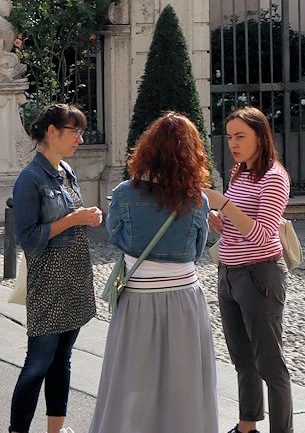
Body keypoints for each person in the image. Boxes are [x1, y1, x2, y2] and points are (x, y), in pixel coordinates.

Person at [88, 111, 218, 433]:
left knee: (129, 378)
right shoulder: (197, 200)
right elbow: (197, 251)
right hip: (184, 297)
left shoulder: (123, 193)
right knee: (186, 383)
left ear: (147, 149)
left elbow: (115, 235)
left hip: (138, 295)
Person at [9, 103, 103, 433]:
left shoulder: (65, 170)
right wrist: (73, 220)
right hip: (48, 283)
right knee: (37, 364)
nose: (80, 138)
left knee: (63, 359)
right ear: (52, 131)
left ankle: (56, 429)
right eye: (74, 131)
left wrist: (86, 218)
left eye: (81, 131)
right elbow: (30, 240)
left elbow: (69, 218)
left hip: (74, 279)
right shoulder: (29, 179)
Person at [208, 106, 293, 433]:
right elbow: (235, 227)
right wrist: (218, 220)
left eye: (240, 136)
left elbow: (261, 233)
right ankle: (247, 427)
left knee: (270, 365)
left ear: (261, 136)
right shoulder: (240, 173)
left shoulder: (275, 178)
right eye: (229, 137)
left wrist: (224, 204)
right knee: (243, 360)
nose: (233, 144)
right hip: (228, 273)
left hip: (260, 275)